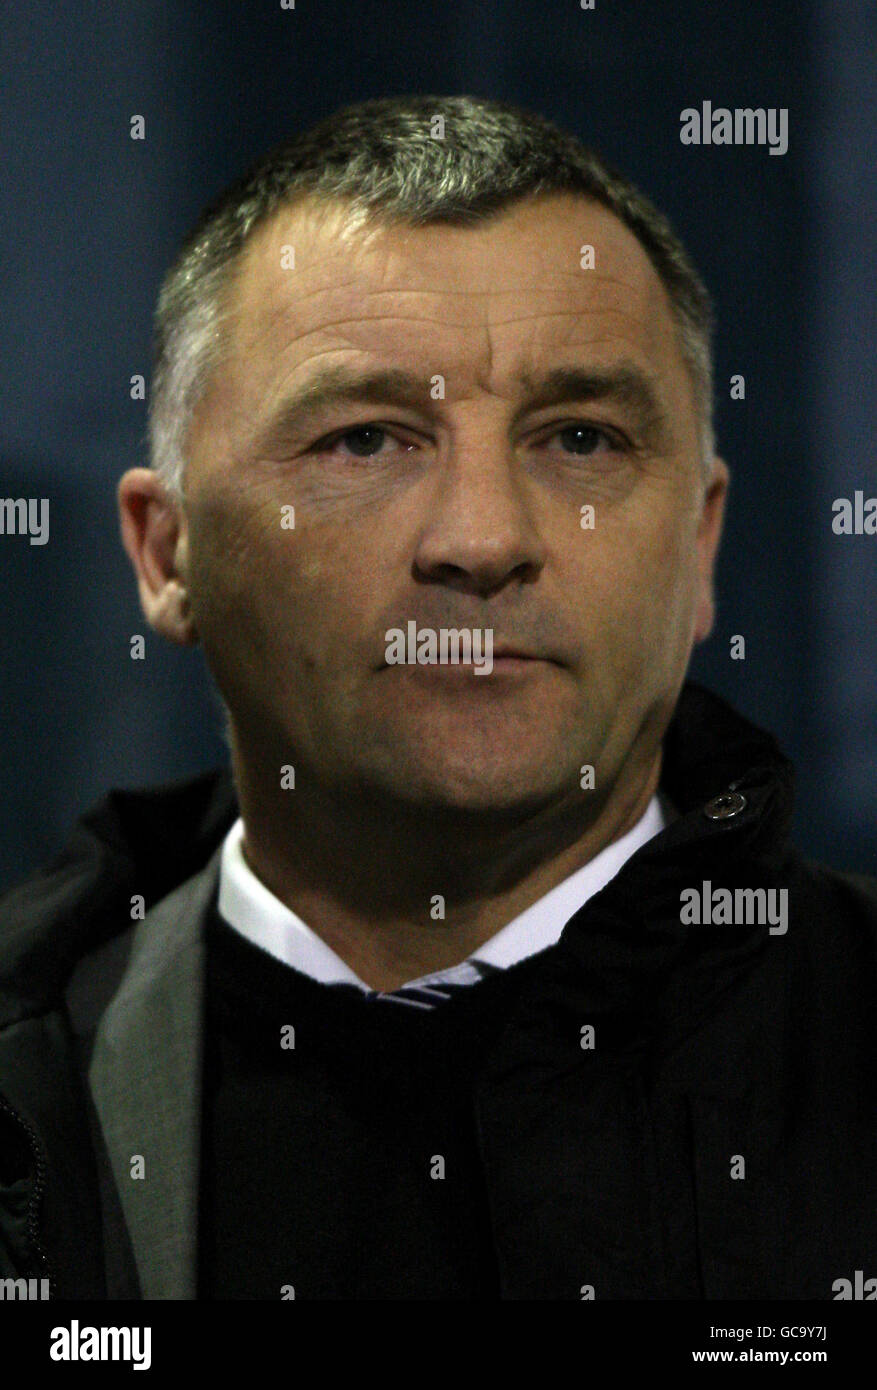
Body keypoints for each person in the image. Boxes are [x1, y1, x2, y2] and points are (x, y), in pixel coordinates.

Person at [1, 94, 874, 1302]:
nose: (482, 538)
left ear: (699, 544)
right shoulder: (32, 1072)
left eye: (580, 439)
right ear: (167, 553)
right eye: (365, 441)